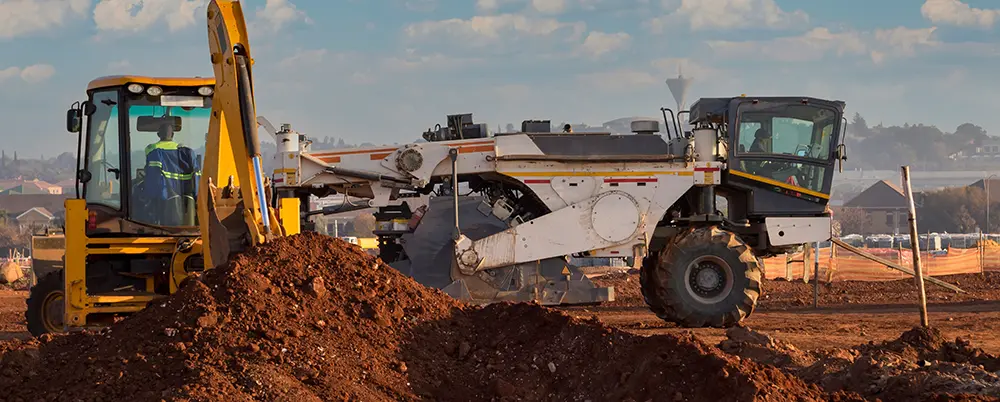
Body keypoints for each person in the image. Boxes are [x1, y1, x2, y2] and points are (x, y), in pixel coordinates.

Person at [140, 120, 198, 226]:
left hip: (164, 200)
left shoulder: (153, 149)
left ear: (158, 134)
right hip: (187, 204)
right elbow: (197, 183)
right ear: (173, 134)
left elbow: (153, 179)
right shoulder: (185, 152)